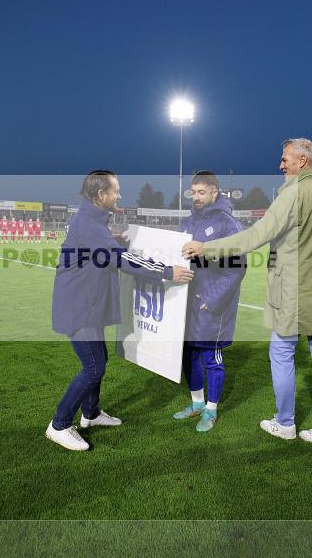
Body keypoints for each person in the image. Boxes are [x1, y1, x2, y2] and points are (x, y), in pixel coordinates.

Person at [183, 139, 312, 451]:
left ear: (302, 161)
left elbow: (255, 236)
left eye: (285, 159)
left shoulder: (293, 193)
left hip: (294, 292)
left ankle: (285, 423)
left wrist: (207, 248)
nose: (281, 164)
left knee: (283, 351)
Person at [46, 170, 195, 451]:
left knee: (98, 359)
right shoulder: (90, 223)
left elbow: (106, 250)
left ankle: (91, 414)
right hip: (79, 305)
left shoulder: (91, 219)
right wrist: (166, 271)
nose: (119, 195)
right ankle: (59, 424)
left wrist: (115, 239)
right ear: (101, 195)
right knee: (93, 367)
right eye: (115, 190)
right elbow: (120, 259)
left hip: (87, 302)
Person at [173, 171, 247, 432]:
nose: (196, 197)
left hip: (210, 304)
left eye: (201, 192)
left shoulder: (228, 224)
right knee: (188, 354)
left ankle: (211, 410)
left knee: (210, 356)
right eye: (193, 193)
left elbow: (237, 268)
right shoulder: (188, 221)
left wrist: (212, 298)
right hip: (186, 303)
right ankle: (196, 403)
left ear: (215, 193)